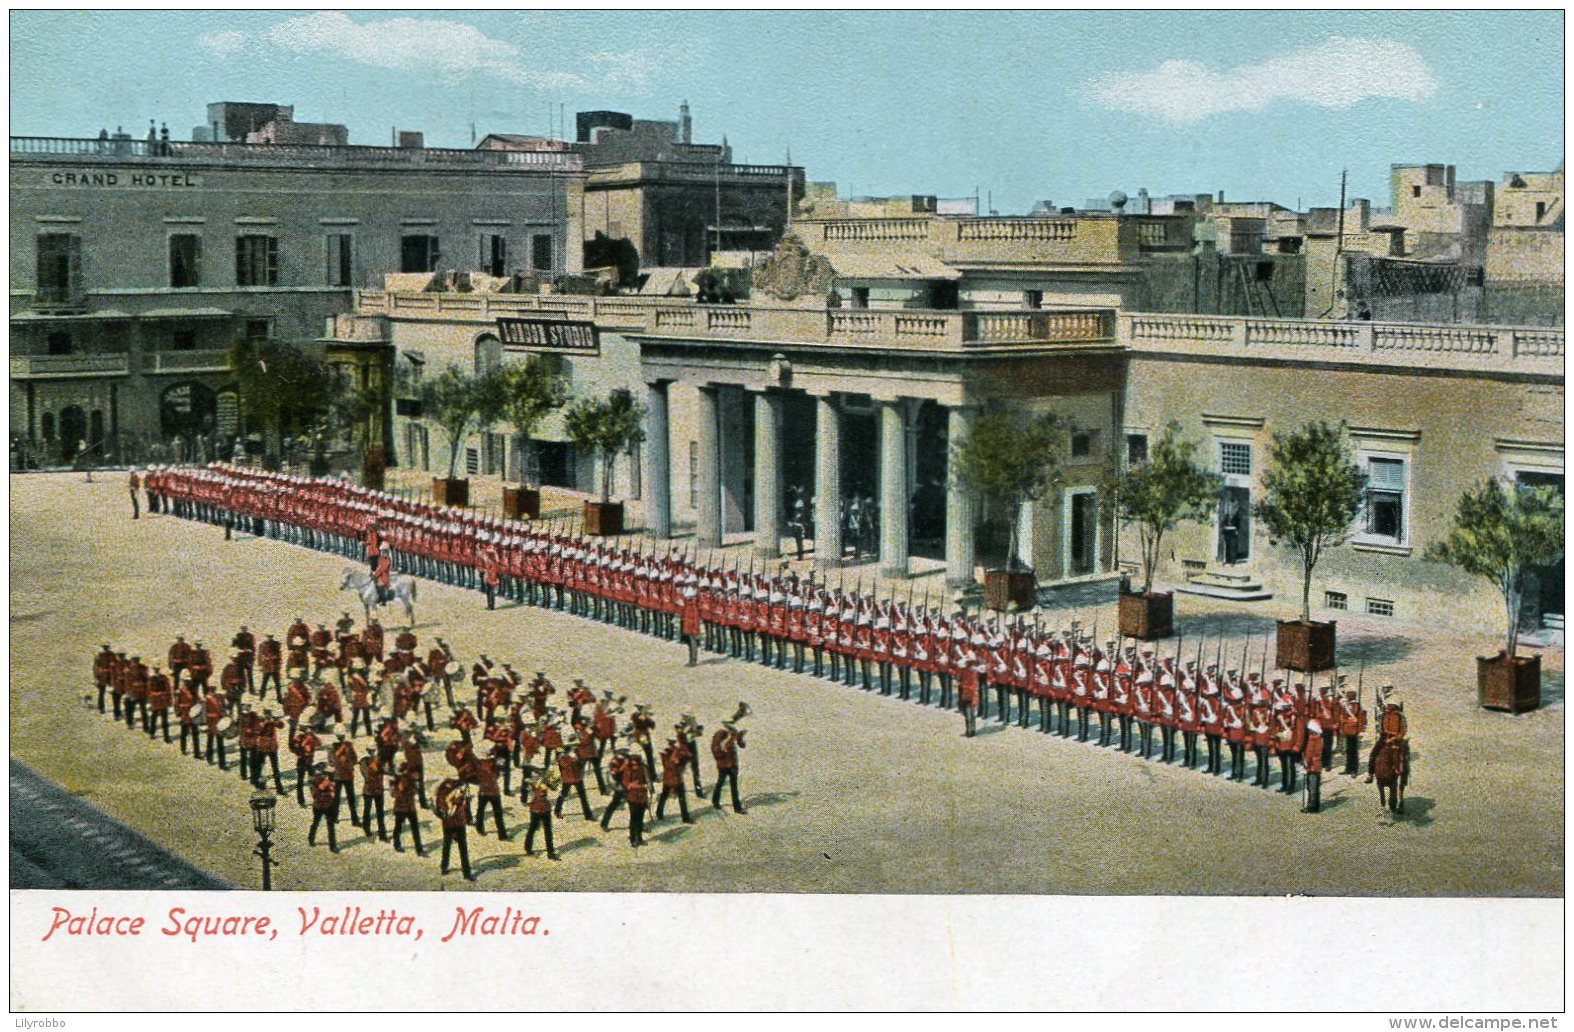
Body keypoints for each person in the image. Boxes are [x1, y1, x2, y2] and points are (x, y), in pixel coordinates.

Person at [435, 777, 476, 881]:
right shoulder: (446, 790)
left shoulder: (462, 793)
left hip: (459, 823)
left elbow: (466, 808)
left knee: (461, 848)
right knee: (448, 845)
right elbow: (441, 804)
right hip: (449, 823)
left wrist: (468, 818)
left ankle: (466, 873)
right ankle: (444, 867)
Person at [655, 736, 695, 824]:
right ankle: (660, 812)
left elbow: (688, 755)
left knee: (677, 798)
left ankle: (660, 813)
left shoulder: (676, 750)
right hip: (671, 777)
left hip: (675, 777)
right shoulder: (666, 752)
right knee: (667, 796)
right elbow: (669, 764)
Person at [710, 720, 747, 814]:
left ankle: (737, 808)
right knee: (720, 784)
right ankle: (715, 802)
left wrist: (741, 737)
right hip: (723, 765)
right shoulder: (720, 734)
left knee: (734, 787)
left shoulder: (734, 734)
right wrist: (721, 756)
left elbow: (742, 745)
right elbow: (715, 749)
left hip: (733, 764)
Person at [523, 771, 560, 860]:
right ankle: (548, 852)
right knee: (539, 830)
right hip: (539, 809)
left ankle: (549, 852)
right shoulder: (531, 785)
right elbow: (530, 798)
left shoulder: (542, 784)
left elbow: (553, 793)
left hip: (539, 809)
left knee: (543, 831)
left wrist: (550, 786)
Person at [391, 763, 424, 855]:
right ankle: (396, 844)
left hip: (410, 807)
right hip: (401, 808)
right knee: (398, 827)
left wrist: (414, 785)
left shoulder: (411, 779)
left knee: (415, 829)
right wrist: (401, 790)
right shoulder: (396, 780)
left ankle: (419, 849)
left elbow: (415, 791)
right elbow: (393, 794)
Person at [307, 764, 340, 853]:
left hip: (321, 805)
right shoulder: (321, 779)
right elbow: (319, 789)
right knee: (327, 825)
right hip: (324, 805)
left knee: (319, 823)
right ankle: (331, 846)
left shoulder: (315, 779)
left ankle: (312, 839)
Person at [359, 753, 389, 841]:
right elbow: (367, 776)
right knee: (367, 811)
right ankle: (366, 829)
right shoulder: (364, 763)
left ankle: (382, 834)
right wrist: (376, 767)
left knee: (380, 813)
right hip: (368, 791)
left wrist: (385, 767)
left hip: (379, 790)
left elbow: (388, 771)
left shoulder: (380, 762)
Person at [1301, 718, 1325, 814]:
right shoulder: (1320, 738)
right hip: (1317, 765)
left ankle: (1311, 806)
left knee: (1311, 787)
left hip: (1312, 766)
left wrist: (1305, 766)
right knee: (1315, 787)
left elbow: (1309, 754)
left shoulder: (1312, 739)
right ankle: (1316, 805)